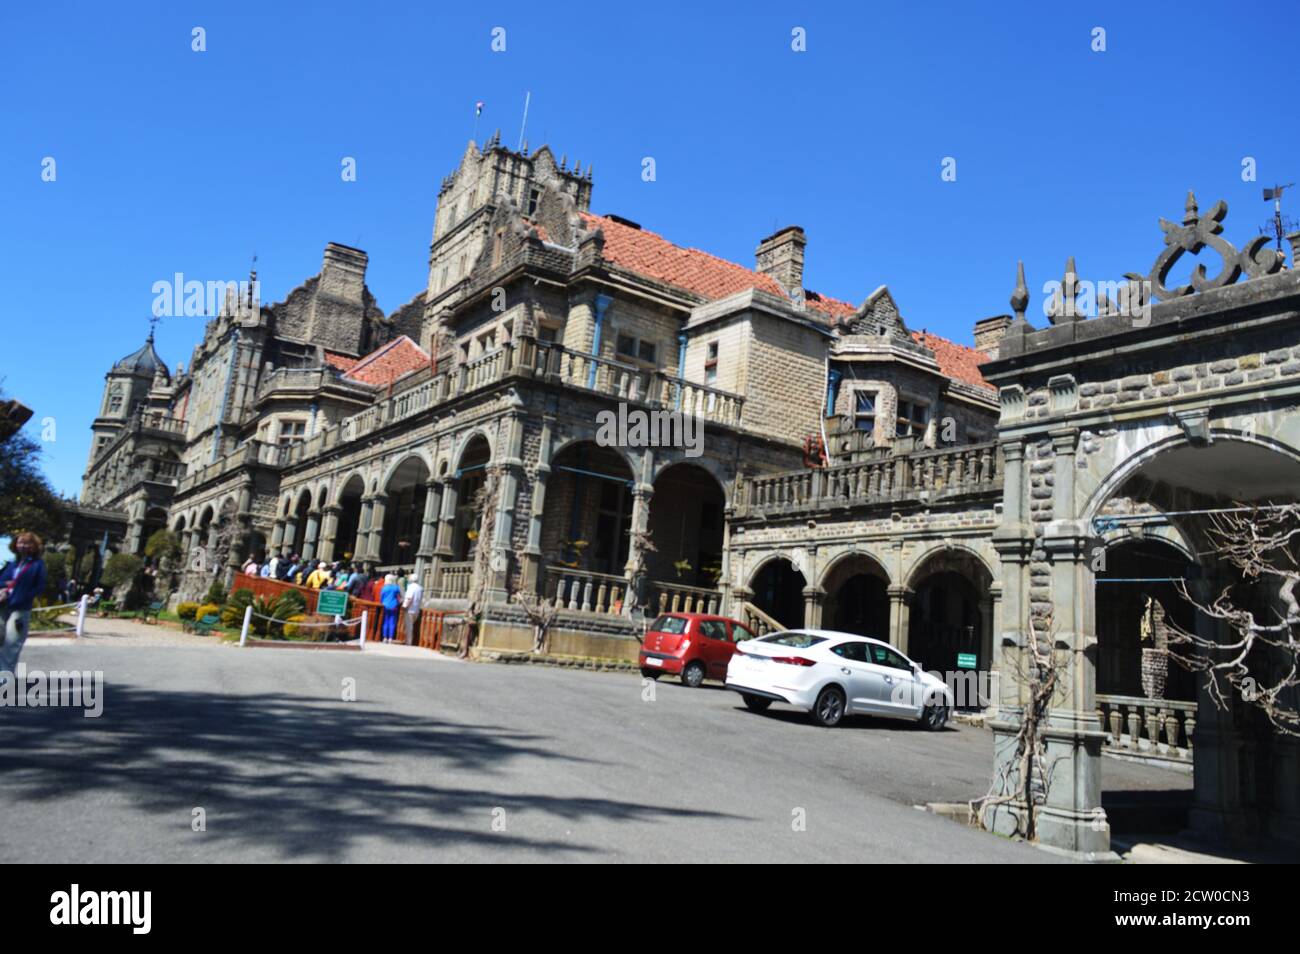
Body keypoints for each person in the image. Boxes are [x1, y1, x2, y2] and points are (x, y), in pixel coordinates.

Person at [0, 532, 49, 683]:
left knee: (12, 642)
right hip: (3, 605)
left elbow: (40, 586)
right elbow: (1, 580)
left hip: (20, 608)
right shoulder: (11, 564)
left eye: (28, 543)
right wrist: (3, 588)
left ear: (34, 547)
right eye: (21, 542)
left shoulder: (37, 565)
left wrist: (23, 596)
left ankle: (5, 677)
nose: (23, 546)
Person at [379, 574, 402, 643]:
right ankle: (390, 638)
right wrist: (398, 603)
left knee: (385, 621)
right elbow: (399, 597)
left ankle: (385, 637)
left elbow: (381, 598)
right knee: (392, 622)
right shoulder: (396, 588)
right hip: (394, 606)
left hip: (385, 605)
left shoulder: (384, 588)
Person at [402, 575, 424, 645]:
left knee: (409, 626)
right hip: (416, 609)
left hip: (410, 609)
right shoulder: (420, 588)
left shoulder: (411, 587)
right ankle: (409, 641)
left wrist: (405, 606)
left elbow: (409, 598)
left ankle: (408, 642)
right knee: (412, 625)